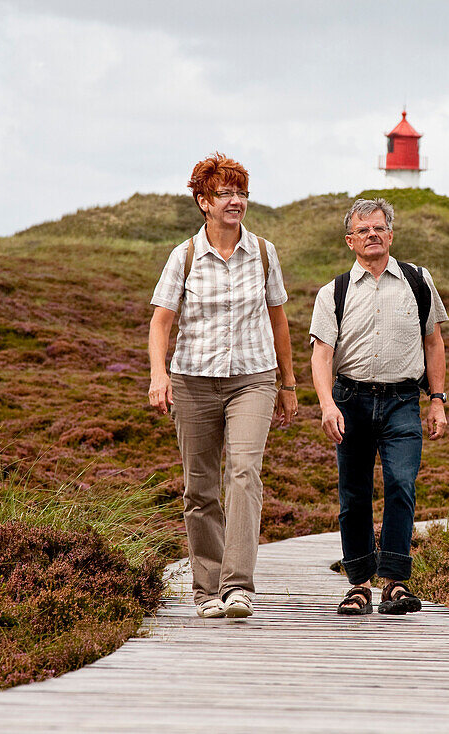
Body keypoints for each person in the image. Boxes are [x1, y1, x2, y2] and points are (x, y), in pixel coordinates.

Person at [148, 152, 297, 619]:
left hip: (253, 379)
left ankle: (237, 586)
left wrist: (288, 383)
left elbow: (279, 320)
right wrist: (159, 374)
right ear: (203, 201)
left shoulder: (265, 253)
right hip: (192, 382)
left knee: (244, 473)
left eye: (242, 193)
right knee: (200, 488)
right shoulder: (184, 256)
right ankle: (206, 589)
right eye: (225, 193)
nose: (236, 201)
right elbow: (160, 323)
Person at [309, 198, 449, 615]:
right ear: (350, 240)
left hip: (403, 401)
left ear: (391, 234)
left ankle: (394, 583)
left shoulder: (418, 281)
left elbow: (433, 342)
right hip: (349, 400)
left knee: (401, 486)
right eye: (363, 230)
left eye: (379, 228)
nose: (372, 235)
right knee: (353, 496)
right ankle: (359, 584)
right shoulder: (332, 292)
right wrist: (326, 404)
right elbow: (321, 355)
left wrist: (438, 400)